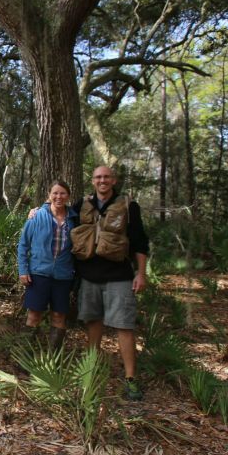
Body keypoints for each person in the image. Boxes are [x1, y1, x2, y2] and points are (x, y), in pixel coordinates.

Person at [71, 166, 150, 401]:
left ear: (113, 180)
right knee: (93, 324)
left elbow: (140, 243)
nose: (102, 181)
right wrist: (37, 211)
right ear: (92, 181)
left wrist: (141, 274)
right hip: (88, 276)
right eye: (98, 177)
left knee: (124, 327)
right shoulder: (81, 204)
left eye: (106, 177)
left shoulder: (128, 206)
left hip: (120, 276)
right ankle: (90, 372)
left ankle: (131, 379)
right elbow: (59, 214)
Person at [17, 180, 77, 350]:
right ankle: (23, 359)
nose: (59, 196)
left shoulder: (74, 219)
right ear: (49, 195)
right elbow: (23, 245)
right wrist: (23, 270)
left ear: (68, 196)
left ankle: (51, 363)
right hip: (38, 274)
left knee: (59, 317)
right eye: (55, 193)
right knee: (34, 315)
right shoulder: (37, 216)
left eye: (63, 193)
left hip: (63, 276)